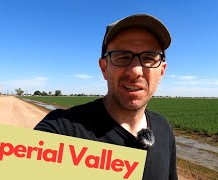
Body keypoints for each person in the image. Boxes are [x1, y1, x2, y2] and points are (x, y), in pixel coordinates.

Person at [34, 13, 177, 180]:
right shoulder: (66, 130)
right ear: (104, 68)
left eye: (149, 58)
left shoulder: (164, 129)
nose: (135, 72)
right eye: (122, 57)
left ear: (161, 71)